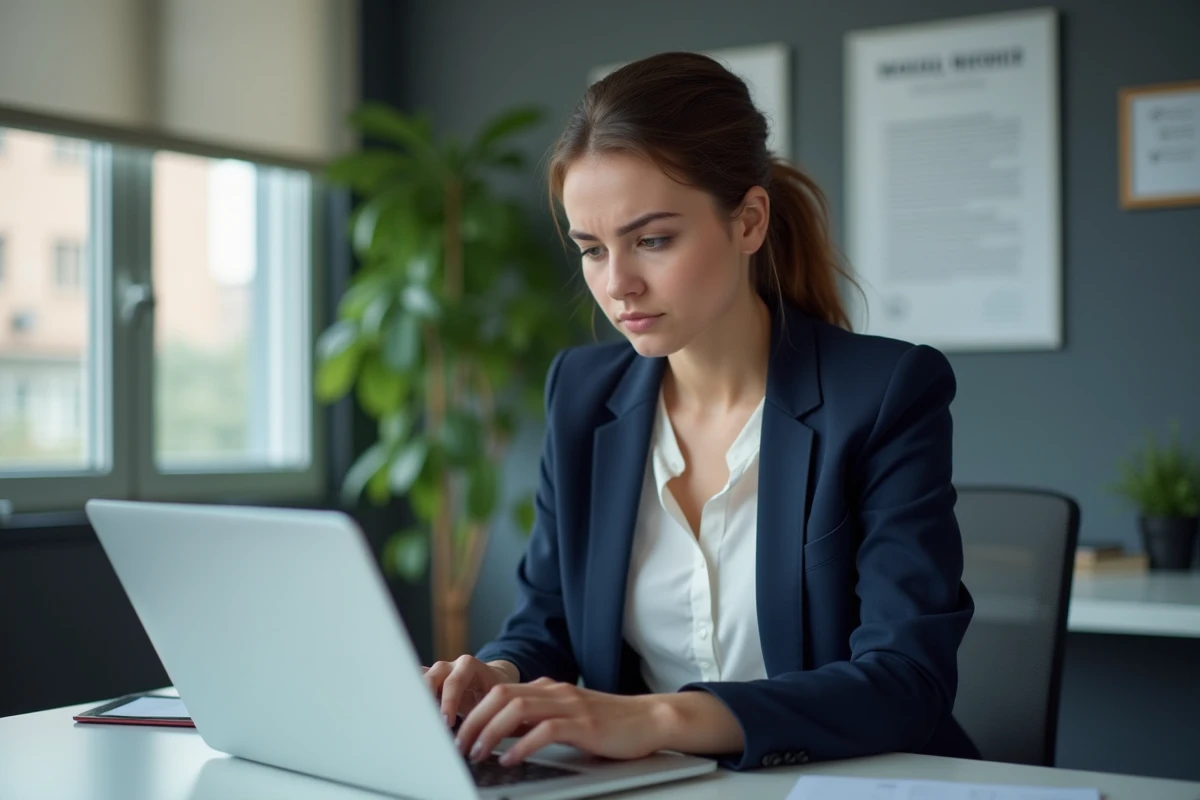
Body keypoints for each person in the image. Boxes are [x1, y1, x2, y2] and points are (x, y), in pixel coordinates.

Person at [422, 51, 977, 771]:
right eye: (592, 249)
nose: (618, 284)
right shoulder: (582, 395)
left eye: (652, 240)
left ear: (748, 222)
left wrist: (656, 717)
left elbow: (907, 681)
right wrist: (497, 677)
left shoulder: (883, 394)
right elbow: (546, 624)